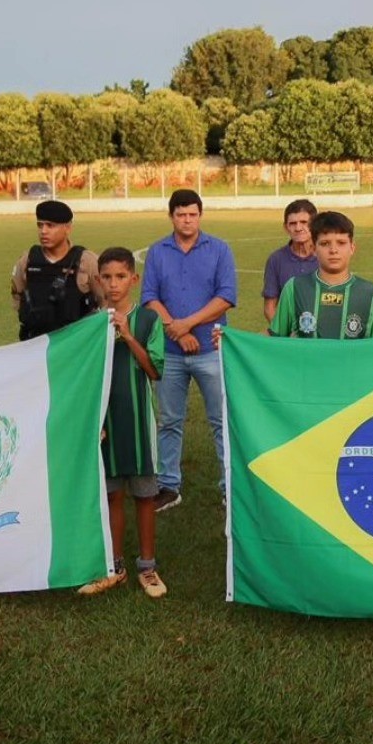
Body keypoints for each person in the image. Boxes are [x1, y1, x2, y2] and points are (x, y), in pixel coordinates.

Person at [78, 248, 168, 599]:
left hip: (138, 422)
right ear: (98, 280)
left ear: (134, 279)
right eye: (107, 277)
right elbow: (84, 374)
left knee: (145, 496)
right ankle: (114, 566)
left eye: (120, 277)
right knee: (112, 494)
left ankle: (148, 566)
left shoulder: (148, 320)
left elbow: (155, 371)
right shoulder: (91, 322)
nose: (113, 284)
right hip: (106, 423)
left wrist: (128, 335)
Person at [141, 189, 238, 510]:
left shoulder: (219, 249)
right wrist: (177, 330)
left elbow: (226, 297)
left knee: (221, 420)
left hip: (211, 348)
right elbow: (150, 298)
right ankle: (169, 485)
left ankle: (230, 486)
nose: (187, 220)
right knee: (169, 420)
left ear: (200, 215)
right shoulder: (157, 252)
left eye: (192, 214)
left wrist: (187, 324)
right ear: (171, 216)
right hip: (170, 352)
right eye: (181, 215)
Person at [268, 211, 373, 339]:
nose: (333, 250)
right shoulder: (294, 288)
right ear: (314, 249)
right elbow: (274, 338)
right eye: (325, 243)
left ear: (352, 248)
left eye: (341, 243)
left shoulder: (370, 293)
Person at [10, 200, 102, 341]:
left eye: (50, 225)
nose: (43, 231)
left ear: (68, 228)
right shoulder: (27, 260)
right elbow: (18, 297)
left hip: (76, 344)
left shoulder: (87, 261)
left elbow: (105, 301)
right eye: (40, 225)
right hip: (35, 343)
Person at [262, 199, 319, 321]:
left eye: (304, 222)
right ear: (286, 227)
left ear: (314, 225)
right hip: (288, 331)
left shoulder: (326, 256)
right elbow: (269, 308)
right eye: (292, 223)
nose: (298, 228)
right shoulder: (276, 260)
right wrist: (283, 330)